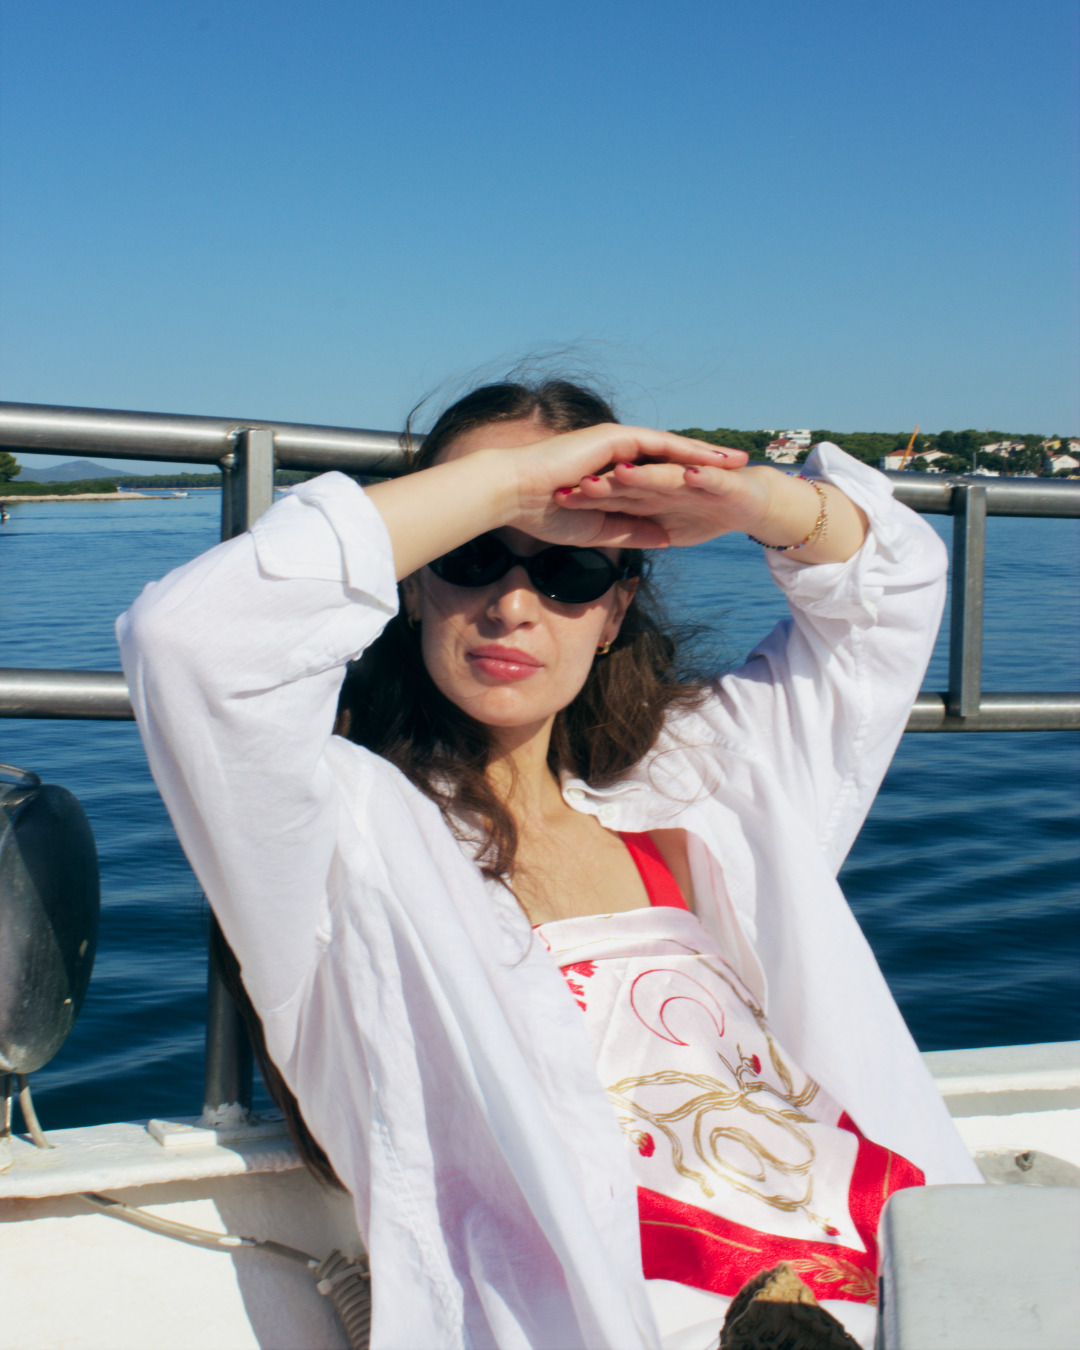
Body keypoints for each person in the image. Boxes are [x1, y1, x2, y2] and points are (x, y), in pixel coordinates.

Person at [117, 380, 980, 1350]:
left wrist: (752, 500)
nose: (514, 605)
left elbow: (889, 592)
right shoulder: (340, 847)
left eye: (570, 568)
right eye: (471, 551)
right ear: (411, 580)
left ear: (614, 611)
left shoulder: (708, 785)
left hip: (932, 1300)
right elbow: (194, 644)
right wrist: (514, 483)